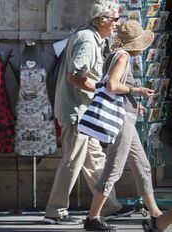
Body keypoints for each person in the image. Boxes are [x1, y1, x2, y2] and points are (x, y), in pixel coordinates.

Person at [44, 0, 133, 225]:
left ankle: (111, 206)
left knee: (94, 160)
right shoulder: (87, 40)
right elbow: (75, 75)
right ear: (101, 20)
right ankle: (56, 211)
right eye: (114, 19)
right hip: (77, 112)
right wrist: (101, 88)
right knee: (72, 160)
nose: (117, 23)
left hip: (84, 111)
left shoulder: (93, 38)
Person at [84, 20, 163, 231]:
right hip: (121, 121)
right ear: (134, 43)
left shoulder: (115, 55)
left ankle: (155, 214)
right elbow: (113, 85)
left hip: (126, 117)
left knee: (142, 166)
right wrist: (137, 91)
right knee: (114, 169)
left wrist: (134, 104)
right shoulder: (124, 56)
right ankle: (93, 217)